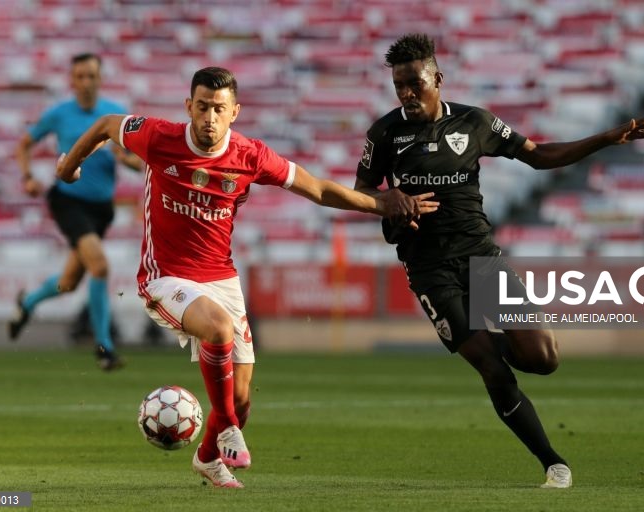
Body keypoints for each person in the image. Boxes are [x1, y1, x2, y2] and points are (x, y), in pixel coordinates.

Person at [55, 66, 438, 488]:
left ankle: (207, 458)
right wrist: (68, 168)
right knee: (218, 334)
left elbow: (317, 189)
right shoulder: (159, 137)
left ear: (234, 112)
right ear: (189, 107)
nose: (209, 118)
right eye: (201, 107)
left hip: (221, 277)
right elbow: (108, 125)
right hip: (165, 277)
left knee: (239, 400)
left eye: (218, 109)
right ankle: (225, 433)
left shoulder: (250, 156)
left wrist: (380, 205)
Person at [354, 33, 644, 489]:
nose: (406, 94)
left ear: (437, 78)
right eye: (398, 85)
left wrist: (605, 139)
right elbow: (360, 191)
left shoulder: (475, 123)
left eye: (414, 83)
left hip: (482, 259)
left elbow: (537, 156)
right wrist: (388, 199)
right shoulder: (384, 134)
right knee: (491, 367)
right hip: (430, 270)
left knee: (542, 358)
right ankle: (553, 463)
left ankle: (473, 337)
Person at [10, 53, 142, 371]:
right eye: (79, 76)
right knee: (99, 266)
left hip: (101, 209)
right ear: (71, 81)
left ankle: (27, 303)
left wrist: (128, 160)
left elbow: (139, 161)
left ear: (100, 79)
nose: (85, 82)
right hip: (68, 201)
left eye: (91, 76)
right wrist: (28, 177)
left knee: (70, 280)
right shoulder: (59, 114)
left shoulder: (117, 115)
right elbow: (24, 144)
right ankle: (104, 348)